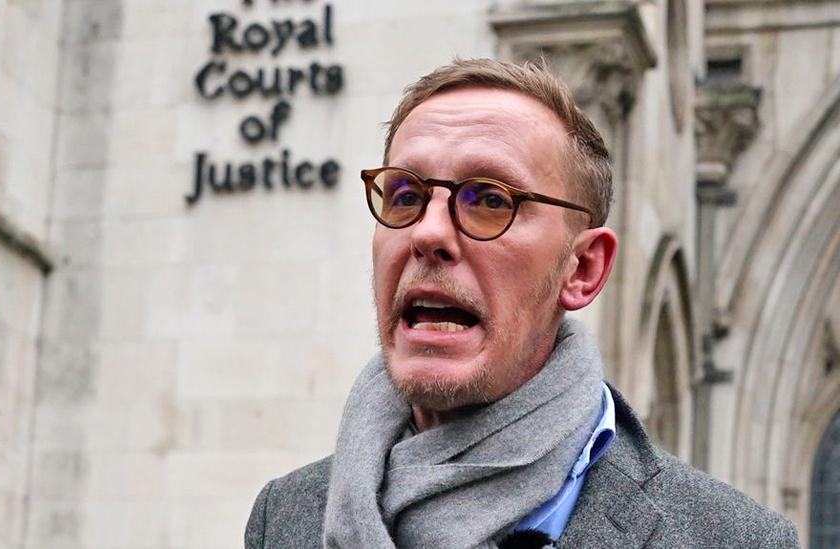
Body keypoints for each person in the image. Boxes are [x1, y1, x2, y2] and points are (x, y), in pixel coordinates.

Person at [244, 59, 799, 549]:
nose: (427, 233)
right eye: (406, 196)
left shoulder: (729, 538)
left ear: (582, 270)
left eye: (490, 199)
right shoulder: (285, 516)